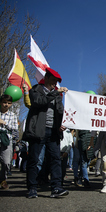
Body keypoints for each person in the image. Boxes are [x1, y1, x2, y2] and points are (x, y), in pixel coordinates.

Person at [23, 67, 69, 198]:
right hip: (38, 131)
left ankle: (56, 187)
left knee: (55, 159)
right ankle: (32, 187)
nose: (55, 83)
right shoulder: (35, 90)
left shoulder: (57, 95)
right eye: (53, 80)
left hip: (53, 132)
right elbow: (39, 102)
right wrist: (56, 93)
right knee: (34, 160)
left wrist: (62, 124)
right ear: (46, 78)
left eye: (57, 81)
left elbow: (60, 111)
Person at [0, 94, 18, 190]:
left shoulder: (13, 115)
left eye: (9, 103)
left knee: (6, 162)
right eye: (4, 102)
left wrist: (5, 124)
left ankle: (3, 179)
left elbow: (15, 129)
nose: (6, 105)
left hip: (7, 140)